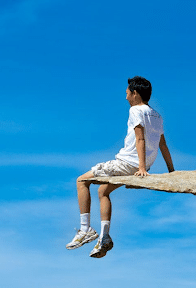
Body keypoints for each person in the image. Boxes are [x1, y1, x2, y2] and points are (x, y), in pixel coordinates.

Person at [66, 76, 175, 258]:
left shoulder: (135, 111)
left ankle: (85, 230)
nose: (126, 98)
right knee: (103, 192)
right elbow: (163, 145)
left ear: (135, 93)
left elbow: (140, 138)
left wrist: (141, 168)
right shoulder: (157, 116)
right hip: (141, 163)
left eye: (127, 93)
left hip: (128, 163)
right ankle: (105, 237)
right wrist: (172, 172)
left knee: (81, 181)